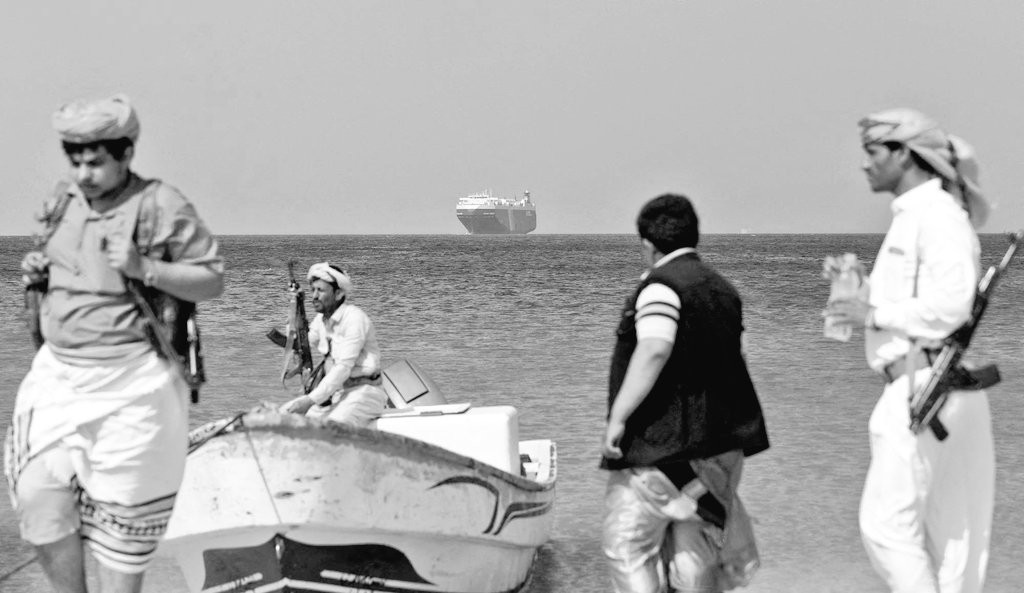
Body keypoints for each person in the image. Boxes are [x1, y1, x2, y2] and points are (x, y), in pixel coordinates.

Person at [3, 94, 224, 593]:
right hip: (57, 377)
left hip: (135, 384)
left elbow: (212, 280)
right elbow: (70, 266)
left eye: (95, 163)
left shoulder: (160, 204)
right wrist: (38, 273)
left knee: (122, 529)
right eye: (76, 161)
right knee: (37, 498)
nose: (84, 174)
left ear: (126, 155)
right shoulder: (63, 201)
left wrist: (144, 267)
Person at [827, 108, 994, 593]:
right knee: (953, 543)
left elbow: (952, 304)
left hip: (923, 390)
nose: (864, 164)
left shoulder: (935, 215)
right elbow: (915, 305)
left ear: (904, 154)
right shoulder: (918, 216)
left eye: (873, 152)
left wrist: (873, 314)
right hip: (933, 387)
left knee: (887, 529)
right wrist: (862, 292)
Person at [600, 194, 770, 593]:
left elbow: (655, 348)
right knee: (695, 555)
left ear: (647, 244)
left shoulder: (660, 287)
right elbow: (738, 357)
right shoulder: (724, 290)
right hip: (722, 448)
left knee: (628, 548)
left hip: (662, 452)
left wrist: (618, 417)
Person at [280, 262, 388, 425]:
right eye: (313, 290)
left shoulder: (354, 319)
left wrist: (310, 400)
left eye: (320, 290)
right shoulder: (321, 320)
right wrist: (295, 307)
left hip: (365, 393)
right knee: (282, 416)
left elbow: (343, 368)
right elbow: (300, 344)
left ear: (338, 294)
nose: (314, 296)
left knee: (331, 426)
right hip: (336, 394)